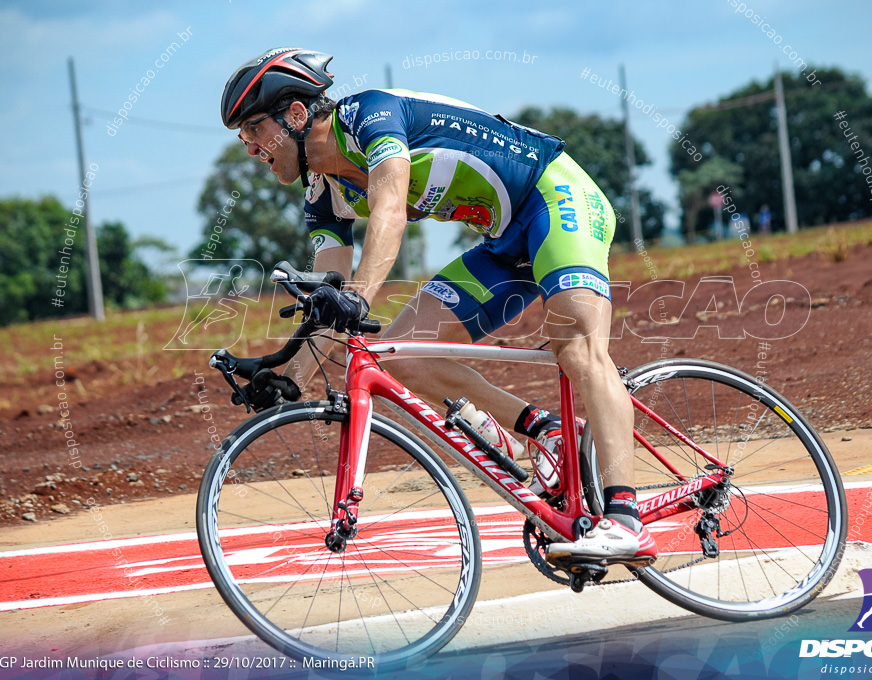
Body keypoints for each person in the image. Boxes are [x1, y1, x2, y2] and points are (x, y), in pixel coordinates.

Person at [220, 47, 656, 564]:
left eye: (253, 130)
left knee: (578, 350)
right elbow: (326, 295)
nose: (250, 148)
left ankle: (625, 517)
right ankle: (548, 431)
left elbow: (389, 209)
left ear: (295, 114)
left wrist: (360, 296)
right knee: (404, 356)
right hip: (504, 241)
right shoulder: (323, 192)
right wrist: (285, 374)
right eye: (243, 137)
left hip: (555, 195)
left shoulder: (369, 117)